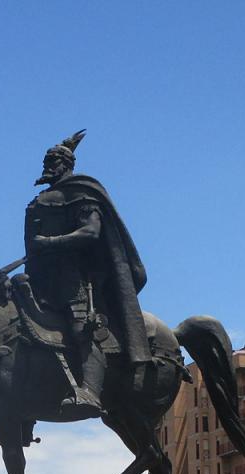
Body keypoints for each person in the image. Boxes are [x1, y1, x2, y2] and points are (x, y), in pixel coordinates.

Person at [24, 130, 153, 409]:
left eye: (54, 160)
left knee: (82, 326)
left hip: (74, 276)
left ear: (67, 164)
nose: (48, 165)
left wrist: (50, 242)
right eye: (46, 160)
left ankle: (90, 392)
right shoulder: (39, 200)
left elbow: (92, 232)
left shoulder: (82, 193)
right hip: (41, 274)